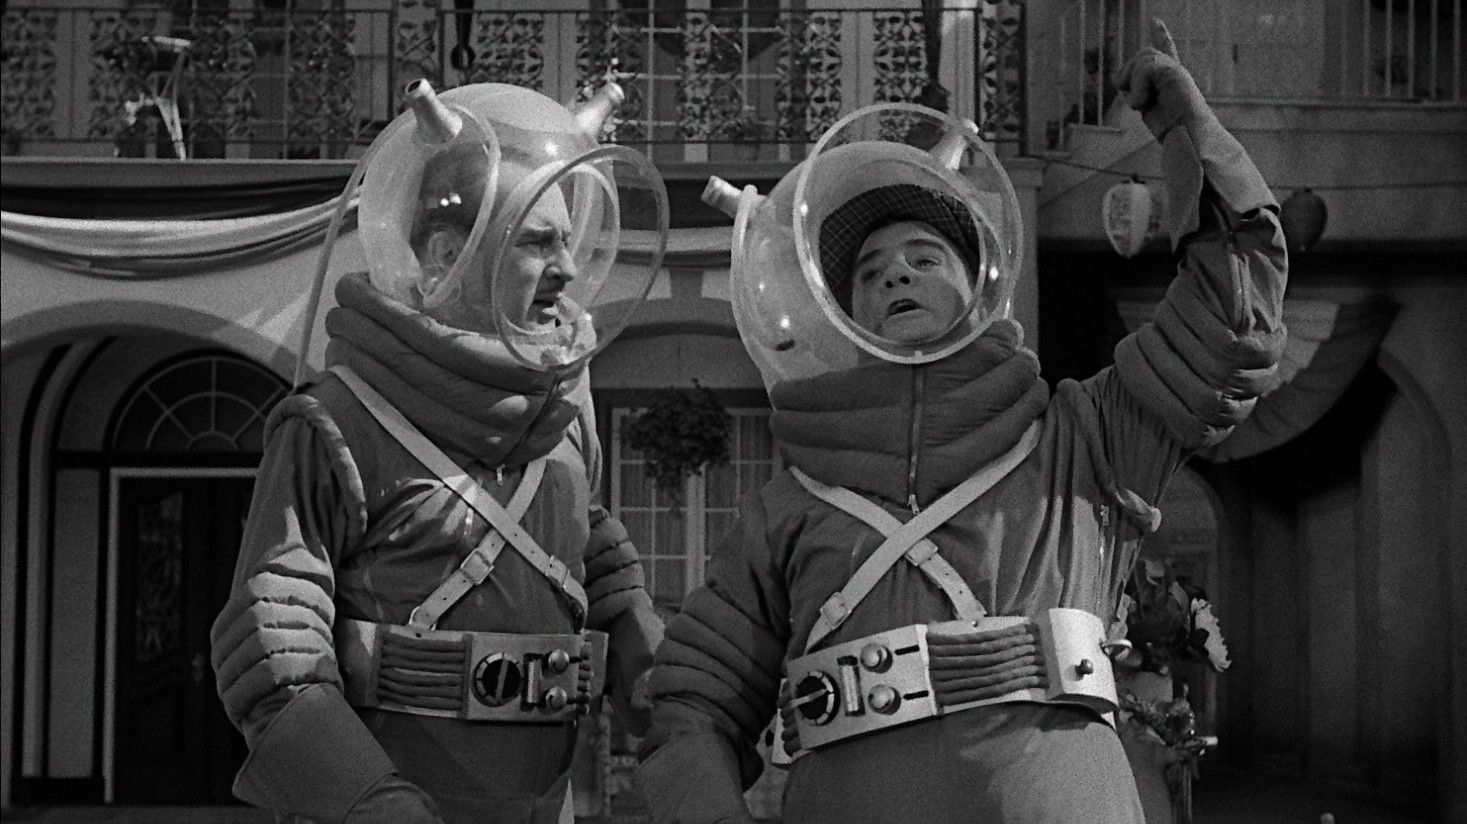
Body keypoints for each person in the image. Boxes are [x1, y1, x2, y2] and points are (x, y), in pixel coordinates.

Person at [635, 20, 1285, 824]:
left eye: (924, 257)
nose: (895, 274)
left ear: (978, 291)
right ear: (847, 317)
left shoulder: (1085, 440)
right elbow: (692, 702)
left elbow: (1229, 330)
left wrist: (1193, 139)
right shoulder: (787, 507)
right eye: (869, 273)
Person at [210, 79, 668, 824]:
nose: (566, 269)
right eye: (537, 242)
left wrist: (647, 659)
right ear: (448, 255)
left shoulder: (563, 425)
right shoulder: (337, 424)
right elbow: (273, 646)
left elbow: (590, 555)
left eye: (567, 240)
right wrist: (368, 800)